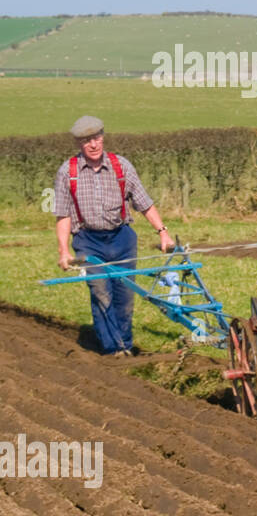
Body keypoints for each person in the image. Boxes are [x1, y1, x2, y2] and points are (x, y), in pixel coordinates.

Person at [54, 115, 176, 356]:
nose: (93, 144)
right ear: (79, 143)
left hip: (122, 239)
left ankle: (125, 346)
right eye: (86, 140)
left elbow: (144, 204)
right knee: (101, 292)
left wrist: (163, 233)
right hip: (88, 241)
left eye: (96, 138)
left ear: (103, 137)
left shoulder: (121, 166)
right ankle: (112, 350)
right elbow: (63, 215)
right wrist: (64, 251)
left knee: (124, 295)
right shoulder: (68, 172)